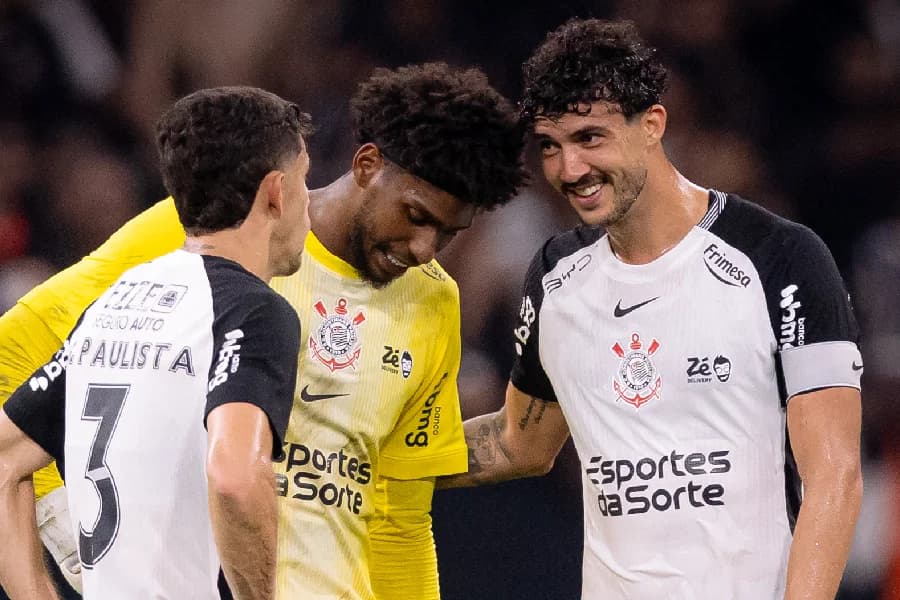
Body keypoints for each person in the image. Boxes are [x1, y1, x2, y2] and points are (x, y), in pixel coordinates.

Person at [0, 62, 526, 599]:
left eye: (448, 233)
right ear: (368, 164)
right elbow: (12, 354)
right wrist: (69, 528)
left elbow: (399, 514)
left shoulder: (434, 300)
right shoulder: (204, 234)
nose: (424, 249)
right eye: (415, 215)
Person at [438, 18, 864, 600]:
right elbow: (521, 442)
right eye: (550, 146)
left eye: (590, 138)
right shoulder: (555, 277)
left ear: (652, 126)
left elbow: (834, 475)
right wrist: (374, 451)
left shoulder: (780, 257)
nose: (569, 170)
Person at [0, 86, 311, 599]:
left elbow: (6, 455)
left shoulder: (115, 302)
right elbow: (235, 475)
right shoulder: (254, 311)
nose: (309, 204)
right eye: (305, 179)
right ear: (276, 191)